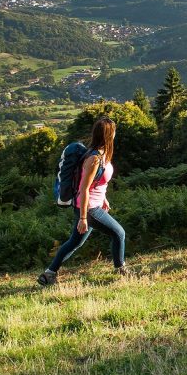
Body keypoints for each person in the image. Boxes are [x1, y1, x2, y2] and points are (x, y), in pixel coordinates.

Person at [38, 117, 126, 285]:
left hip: (93, 204)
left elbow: (96, 183)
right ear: (108, 134)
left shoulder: (100, 153)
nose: (115, 134)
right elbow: (84, 188)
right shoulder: (93, 159)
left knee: (75, 243)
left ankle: (49, 274)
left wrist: (104, 198)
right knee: (119, 233)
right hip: (89, 208)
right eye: (113, 131)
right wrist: (83, 218)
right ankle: (121, 269)